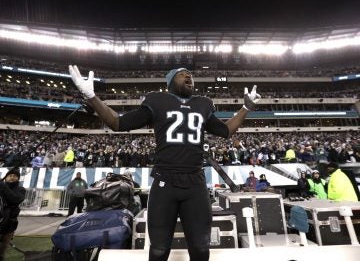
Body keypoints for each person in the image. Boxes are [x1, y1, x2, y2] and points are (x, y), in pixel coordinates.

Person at [69, 65, 261, 261]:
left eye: (191, 74)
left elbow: (226, 131)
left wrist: (246, 108)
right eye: (182, 73)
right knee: (159, 250)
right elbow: (118, 123)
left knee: (201, 249)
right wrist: (91, 96)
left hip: (195, 183)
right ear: (170, 82)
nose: (189, 76)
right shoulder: (157, 101)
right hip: (164, 183)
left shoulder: (203, 104)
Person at [0, 168, 25, 261]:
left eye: (15, 176)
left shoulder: (21, 189)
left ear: (18, 179)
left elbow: (15, 199)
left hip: (10, 223)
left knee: (2, 248)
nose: (12, 177)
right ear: (5, 178)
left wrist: (3, 186)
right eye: (9, 176)